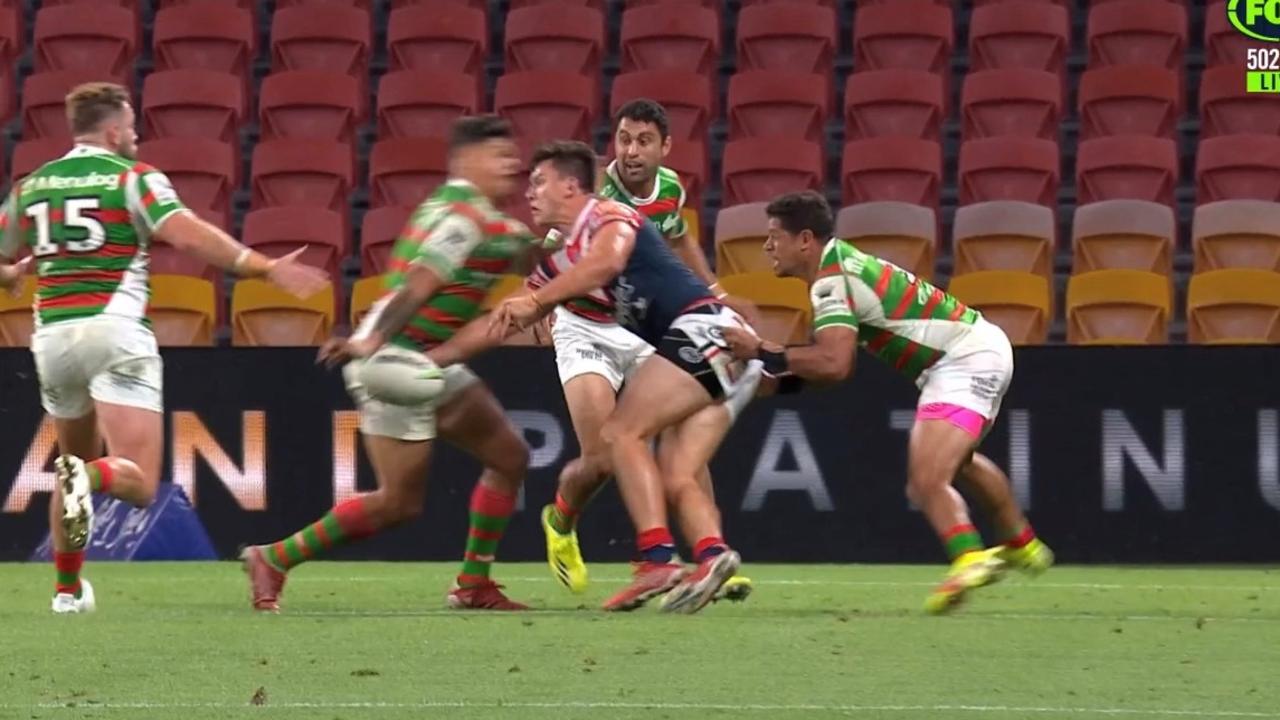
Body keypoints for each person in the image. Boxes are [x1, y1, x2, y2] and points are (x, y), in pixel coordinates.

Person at [0, 82, 327, 614]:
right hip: (114, 331)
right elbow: (189, 233)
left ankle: (66, 592)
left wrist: (12, 274)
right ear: (112, 130)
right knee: (137, 480)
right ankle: (90, 475)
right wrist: (262, 267)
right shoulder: (135, 179)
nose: (135, 135)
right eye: (130, 126)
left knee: (70, 460)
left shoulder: (32, 186)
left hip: (53, 336)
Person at [240, 115, 537, 613]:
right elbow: (420, 283)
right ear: (464, 161)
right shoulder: (464, 219)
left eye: (513, 154)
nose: (512, 163)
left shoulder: (476, 216)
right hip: (393, 358)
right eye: (497, 155)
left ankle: (472, 583)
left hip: (424, 356)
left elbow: (525, 254)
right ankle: (274, 557)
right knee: (399, 504)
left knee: (510, 457)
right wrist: (371, 341)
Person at [720, 191, 1055, 614]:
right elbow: (832, 365)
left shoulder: (831, 280)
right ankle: (1021, 543)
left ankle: (969, 557)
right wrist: (778, 380)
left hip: (964, 359)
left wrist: (760, 352)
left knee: (926, 478)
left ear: (805, 239)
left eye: (774, 236)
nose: (767, 247)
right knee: (960, 462)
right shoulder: (841, 266)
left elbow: (833, 364)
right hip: (978, 348)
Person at [492, 140, 761, 614]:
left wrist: (537, 302)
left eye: (539, 182)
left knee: (630, 436)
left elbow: (609, 262)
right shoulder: (561, 250)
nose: (529, 194)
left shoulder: (607, 216)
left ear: (572, 185)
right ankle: (706, 555)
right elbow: (521, 300)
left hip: (693, 332)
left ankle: (660, 559)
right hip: (660, 338)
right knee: (639, 459)